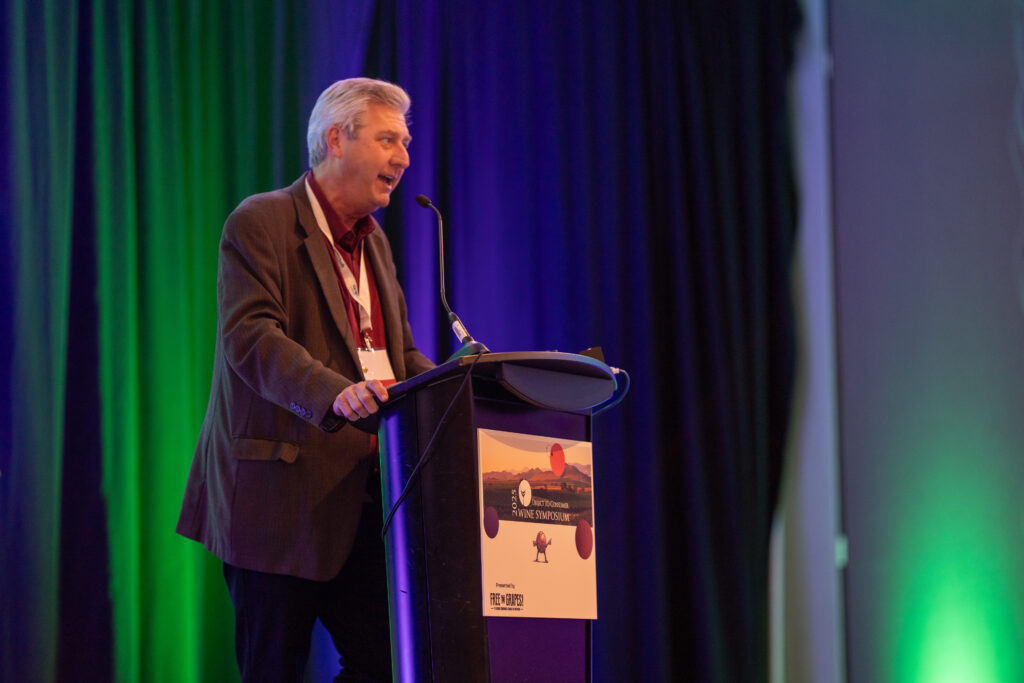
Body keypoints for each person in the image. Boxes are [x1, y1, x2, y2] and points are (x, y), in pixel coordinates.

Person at [176, 77, 435, 682]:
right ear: (336, 139)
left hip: (361, 504)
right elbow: (250, 337)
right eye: (388, 139)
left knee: (390, 664)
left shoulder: (376, 247)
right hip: (276, 502)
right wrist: (332, 393)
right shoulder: (261, 222)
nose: (402, 157)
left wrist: (472, 390)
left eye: (407, 141)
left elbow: (402, 357)